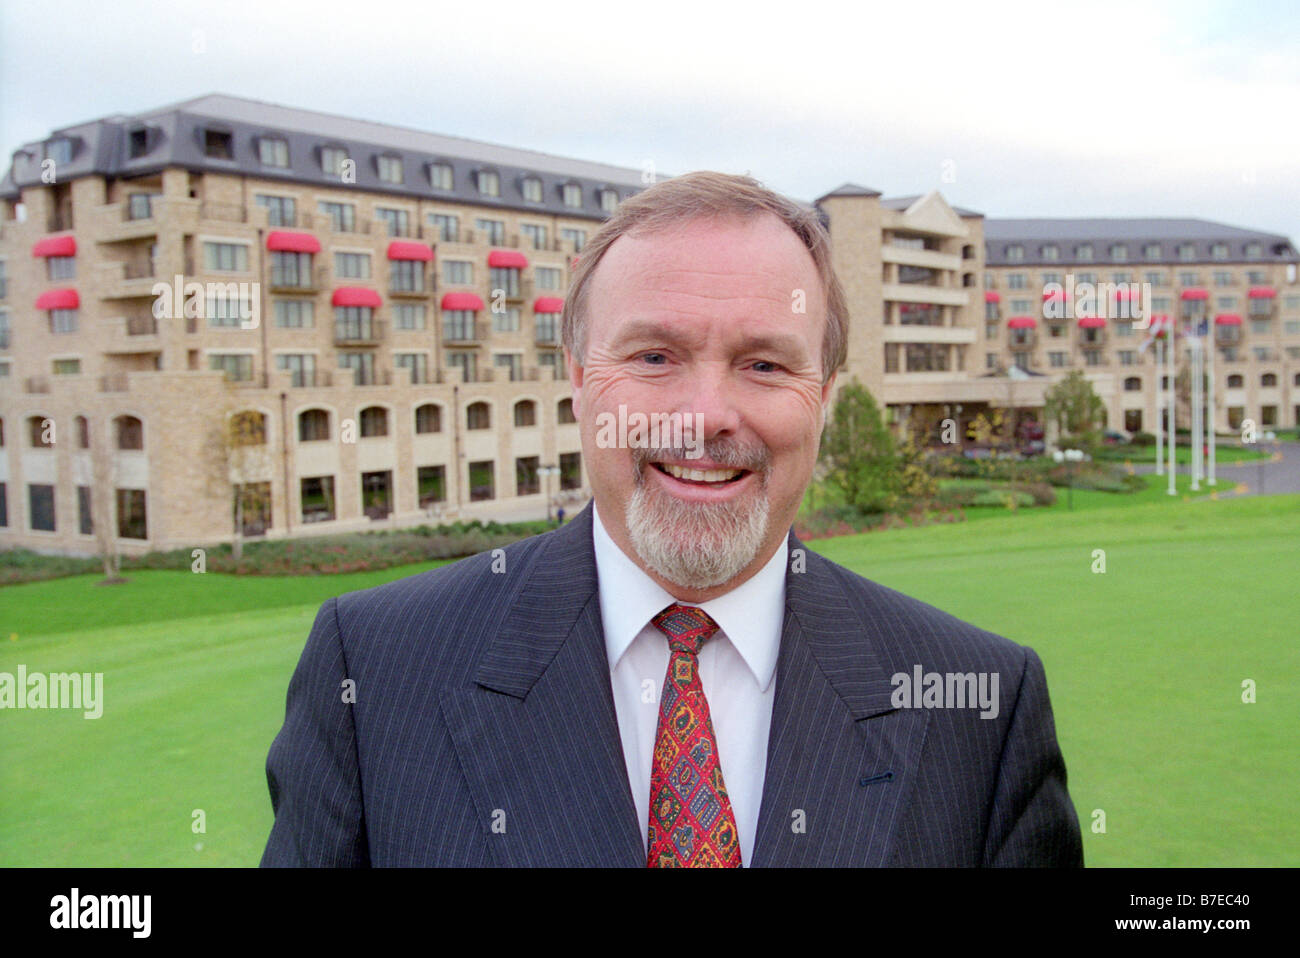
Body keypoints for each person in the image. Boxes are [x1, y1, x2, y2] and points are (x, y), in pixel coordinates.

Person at [260, 171, 1083, 867]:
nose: (705, 415)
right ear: (580, 381)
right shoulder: (372, 673)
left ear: (827, 402)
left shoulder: (983, 708)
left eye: (764, 364)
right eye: (654, 357)